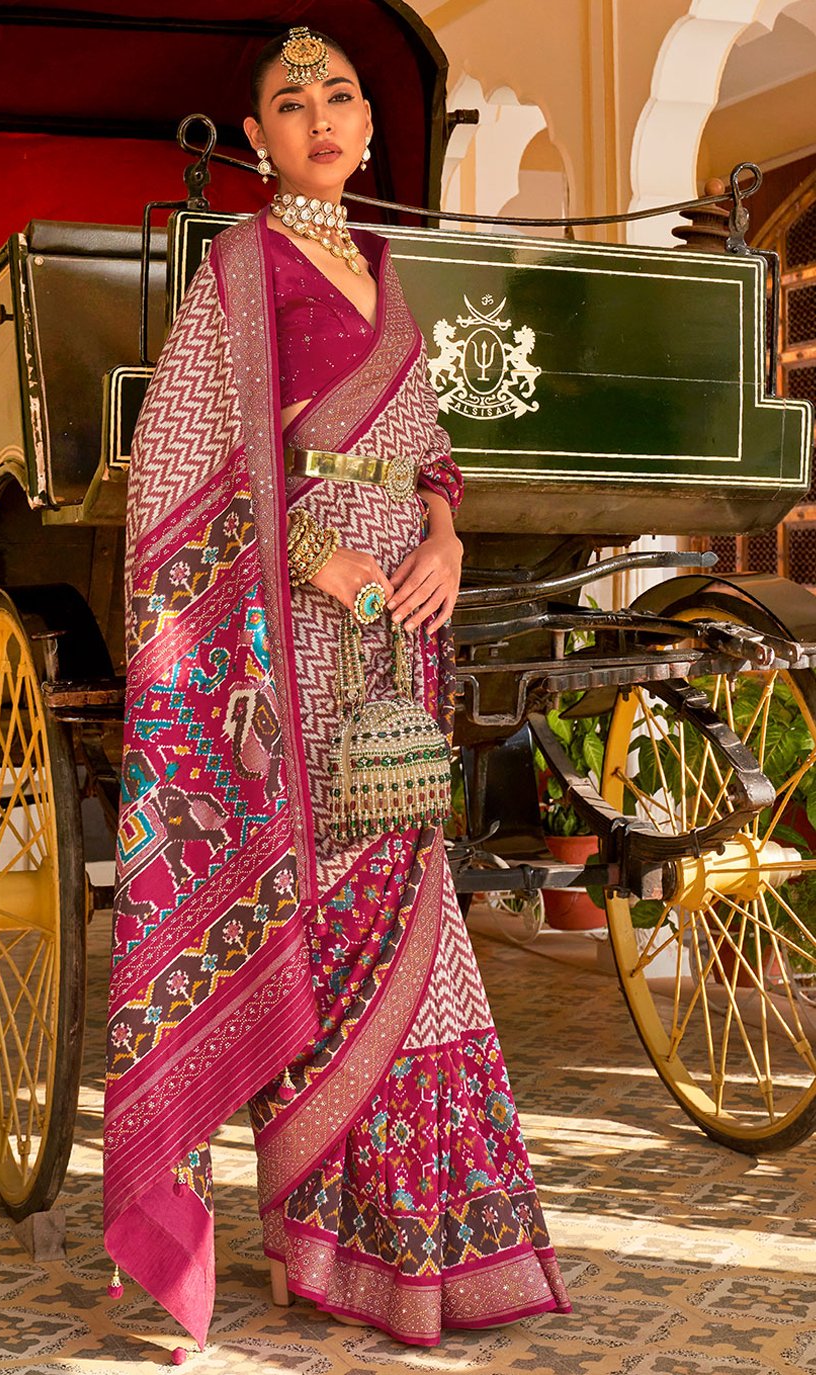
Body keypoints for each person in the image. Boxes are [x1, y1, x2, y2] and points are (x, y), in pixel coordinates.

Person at [104, 25, 571, 1353]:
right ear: (256, 140)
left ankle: (416, 1249)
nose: (320, 115)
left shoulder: (384, 270)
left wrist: (444, 539)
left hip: (391, 646)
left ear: (369, 128)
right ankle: (324, 1244)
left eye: (341, 96)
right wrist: (324, 556)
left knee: (415, 930)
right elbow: (189, 456)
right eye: (290, 102)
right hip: (288, 649)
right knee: (318, 915)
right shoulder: (238, 269)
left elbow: (426, 449)